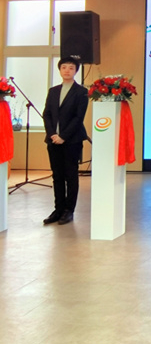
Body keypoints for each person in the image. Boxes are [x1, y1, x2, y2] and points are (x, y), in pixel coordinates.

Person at [42, 57, 89, 225]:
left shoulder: (81, 92)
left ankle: (69, 210)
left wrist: (63, 136)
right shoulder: (53, 91)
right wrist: (52, 134)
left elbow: (78, 117)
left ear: (75, 71)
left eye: (71, 68)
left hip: (72, 140)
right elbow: (47, 114)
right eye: (64, 67)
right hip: (53, 140)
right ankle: (58, 209)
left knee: (71, 175)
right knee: (57, 176)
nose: (67, 70)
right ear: (60, 70)